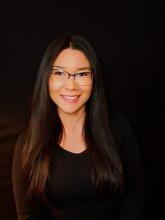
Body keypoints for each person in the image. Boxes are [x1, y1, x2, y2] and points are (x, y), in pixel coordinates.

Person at [12, 34, 145, 220]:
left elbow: (134, 198)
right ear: (46, 78)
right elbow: (28, 214)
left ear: (94, 79)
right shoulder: (29, 141)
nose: (71, 85)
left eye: (82, 74)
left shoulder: (118, 128)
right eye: (59, 73)